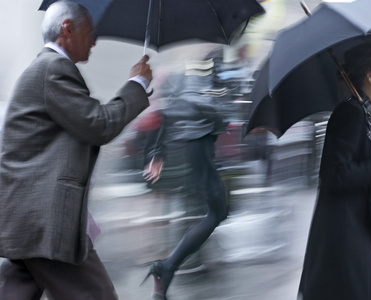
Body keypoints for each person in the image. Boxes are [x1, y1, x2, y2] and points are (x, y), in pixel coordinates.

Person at [0, 1, 152, 299]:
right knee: (97, 295)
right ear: (67, 29)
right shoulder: (53, 69)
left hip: (27, 219)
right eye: (90, 32)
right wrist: (137, 83)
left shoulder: (43, 69)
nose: (94, 42)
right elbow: (98, 125)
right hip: (46, 221)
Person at [298, 44, 371, 299]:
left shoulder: (362, 113)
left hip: (353, 229)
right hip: (344, 233)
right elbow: (333, 176)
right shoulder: (351, 113)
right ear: (369, 74)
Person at [142, 61, 228, 300]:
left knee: (217, 213)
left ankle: (166, 269)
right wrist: (157, 153)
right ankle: (166, 267)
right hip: (197, 141)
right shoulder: (197, 63)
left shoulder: (205, 64)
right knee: (217, 213)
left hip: (200, 143)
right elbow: (176, 106)